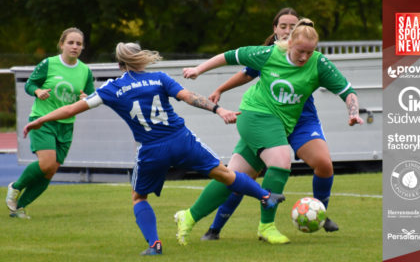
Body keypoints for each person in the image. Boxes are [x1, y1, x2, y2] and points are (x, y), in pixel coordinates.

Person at [22, 42, 285, 255]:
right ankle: (264, 196)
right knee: (224, 174)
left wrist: (40, 119)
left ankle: (154, 245)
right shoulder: (159, 78)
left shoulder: (112, 88)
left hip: (151, 149)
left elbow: (70, 109)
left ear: (119, 64)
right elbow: (190, 97)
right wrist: (219, 109)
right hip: (181, 140)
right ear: (140, 59)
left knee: (139, 198)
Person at [181, 18, 363, 245]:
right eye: (300, 52)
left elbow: (348, 91)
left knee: (234, 176)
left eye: (310, 52)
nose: (304, 57)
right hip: (255, 114)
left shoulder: (318, 63)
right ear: (289, 44)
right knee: (280, 160)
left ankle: (188, 217)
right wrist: (199, 69)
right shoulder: (269, 53)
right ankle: (266, 226)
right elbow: (230, 56)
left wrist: (353, 112)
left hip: (285, 123)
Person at [5, 27, 95, 219]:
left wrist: (85, 97)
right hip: (42, 120)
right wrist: (38, 92)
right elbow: (30, 84)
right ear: (61, 44)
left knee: (50, 170)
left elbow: (89, 96)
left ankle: (18, 207)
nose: (74, 46)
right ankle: (16, 187)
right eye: (70, 42)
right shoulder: (49, 63)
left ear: (82, 48)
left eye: (78, 44)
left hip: (66, 125)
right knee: (46, 163)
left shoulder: (85, 71)